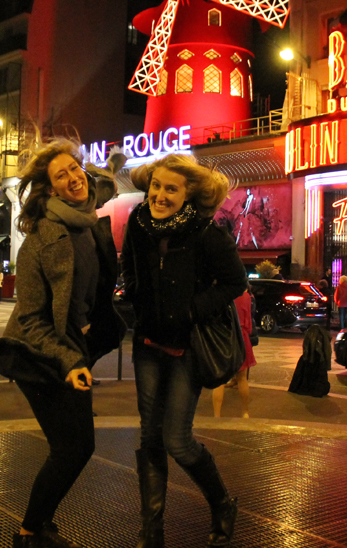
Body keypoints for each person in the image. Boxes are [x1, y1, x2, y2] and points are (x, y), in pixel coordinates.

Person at [0, 139, 125, 548]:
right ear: (50, 189)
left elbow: (105, 183)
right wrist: (71, 359)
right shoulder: (42, 239)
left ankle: (39, 525)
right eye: (61, 176)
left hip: (73, 348)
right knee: (72, 447)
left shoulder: (85, 219)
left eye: (75, 169)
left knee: (74, 446)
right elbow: (32, 319)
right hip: (39, 355)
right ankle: (28, 533)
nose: (73, 179)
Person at [122, 153, 247, 548]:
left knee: (177, 439)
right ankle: (151, 530)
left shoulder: (206, 233)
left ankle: (222, 503)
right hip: (147, 343)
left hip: (187, 347)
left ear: (188, 193)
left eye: (170, 189)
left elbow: (234, 283)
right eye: (156, 186)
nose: (160, 195)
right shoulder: (137, 224)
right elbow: (128, 270)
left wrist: (191, 309)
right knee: (149, 437)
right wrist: (131, 306)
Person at [212, 287, 256, 419]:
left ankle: (217, 415)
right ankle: (245, 412)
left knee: (219, 380)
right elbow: (248, 322)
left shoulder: (219, 294)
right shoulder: (246, 296)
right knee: (242, 379)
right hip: (242, 337)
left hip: (224, 337)